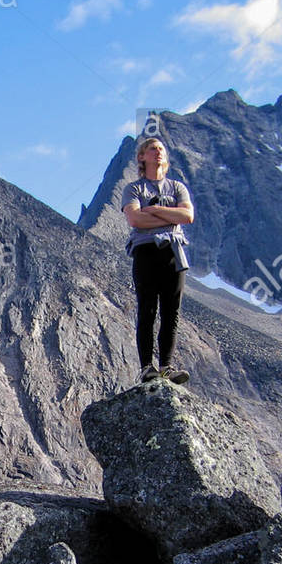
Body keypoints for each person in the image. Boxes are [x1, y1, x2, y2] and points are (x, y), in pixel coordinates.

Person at [122, 136, 195, 384]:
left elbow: (188, 216)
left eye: (161, 148)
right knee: (147, 308)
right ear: (142, 156)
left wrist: (152, 210)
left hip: (173, 251)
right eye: (152, 148)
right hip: (145, 251)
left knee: (171, 311)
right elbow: (135, 220)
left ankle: (165, 366)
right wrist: (170, 217)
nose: (158, 152)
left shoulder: (177, 187)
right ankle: (146, 367)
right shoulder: (133, 189)